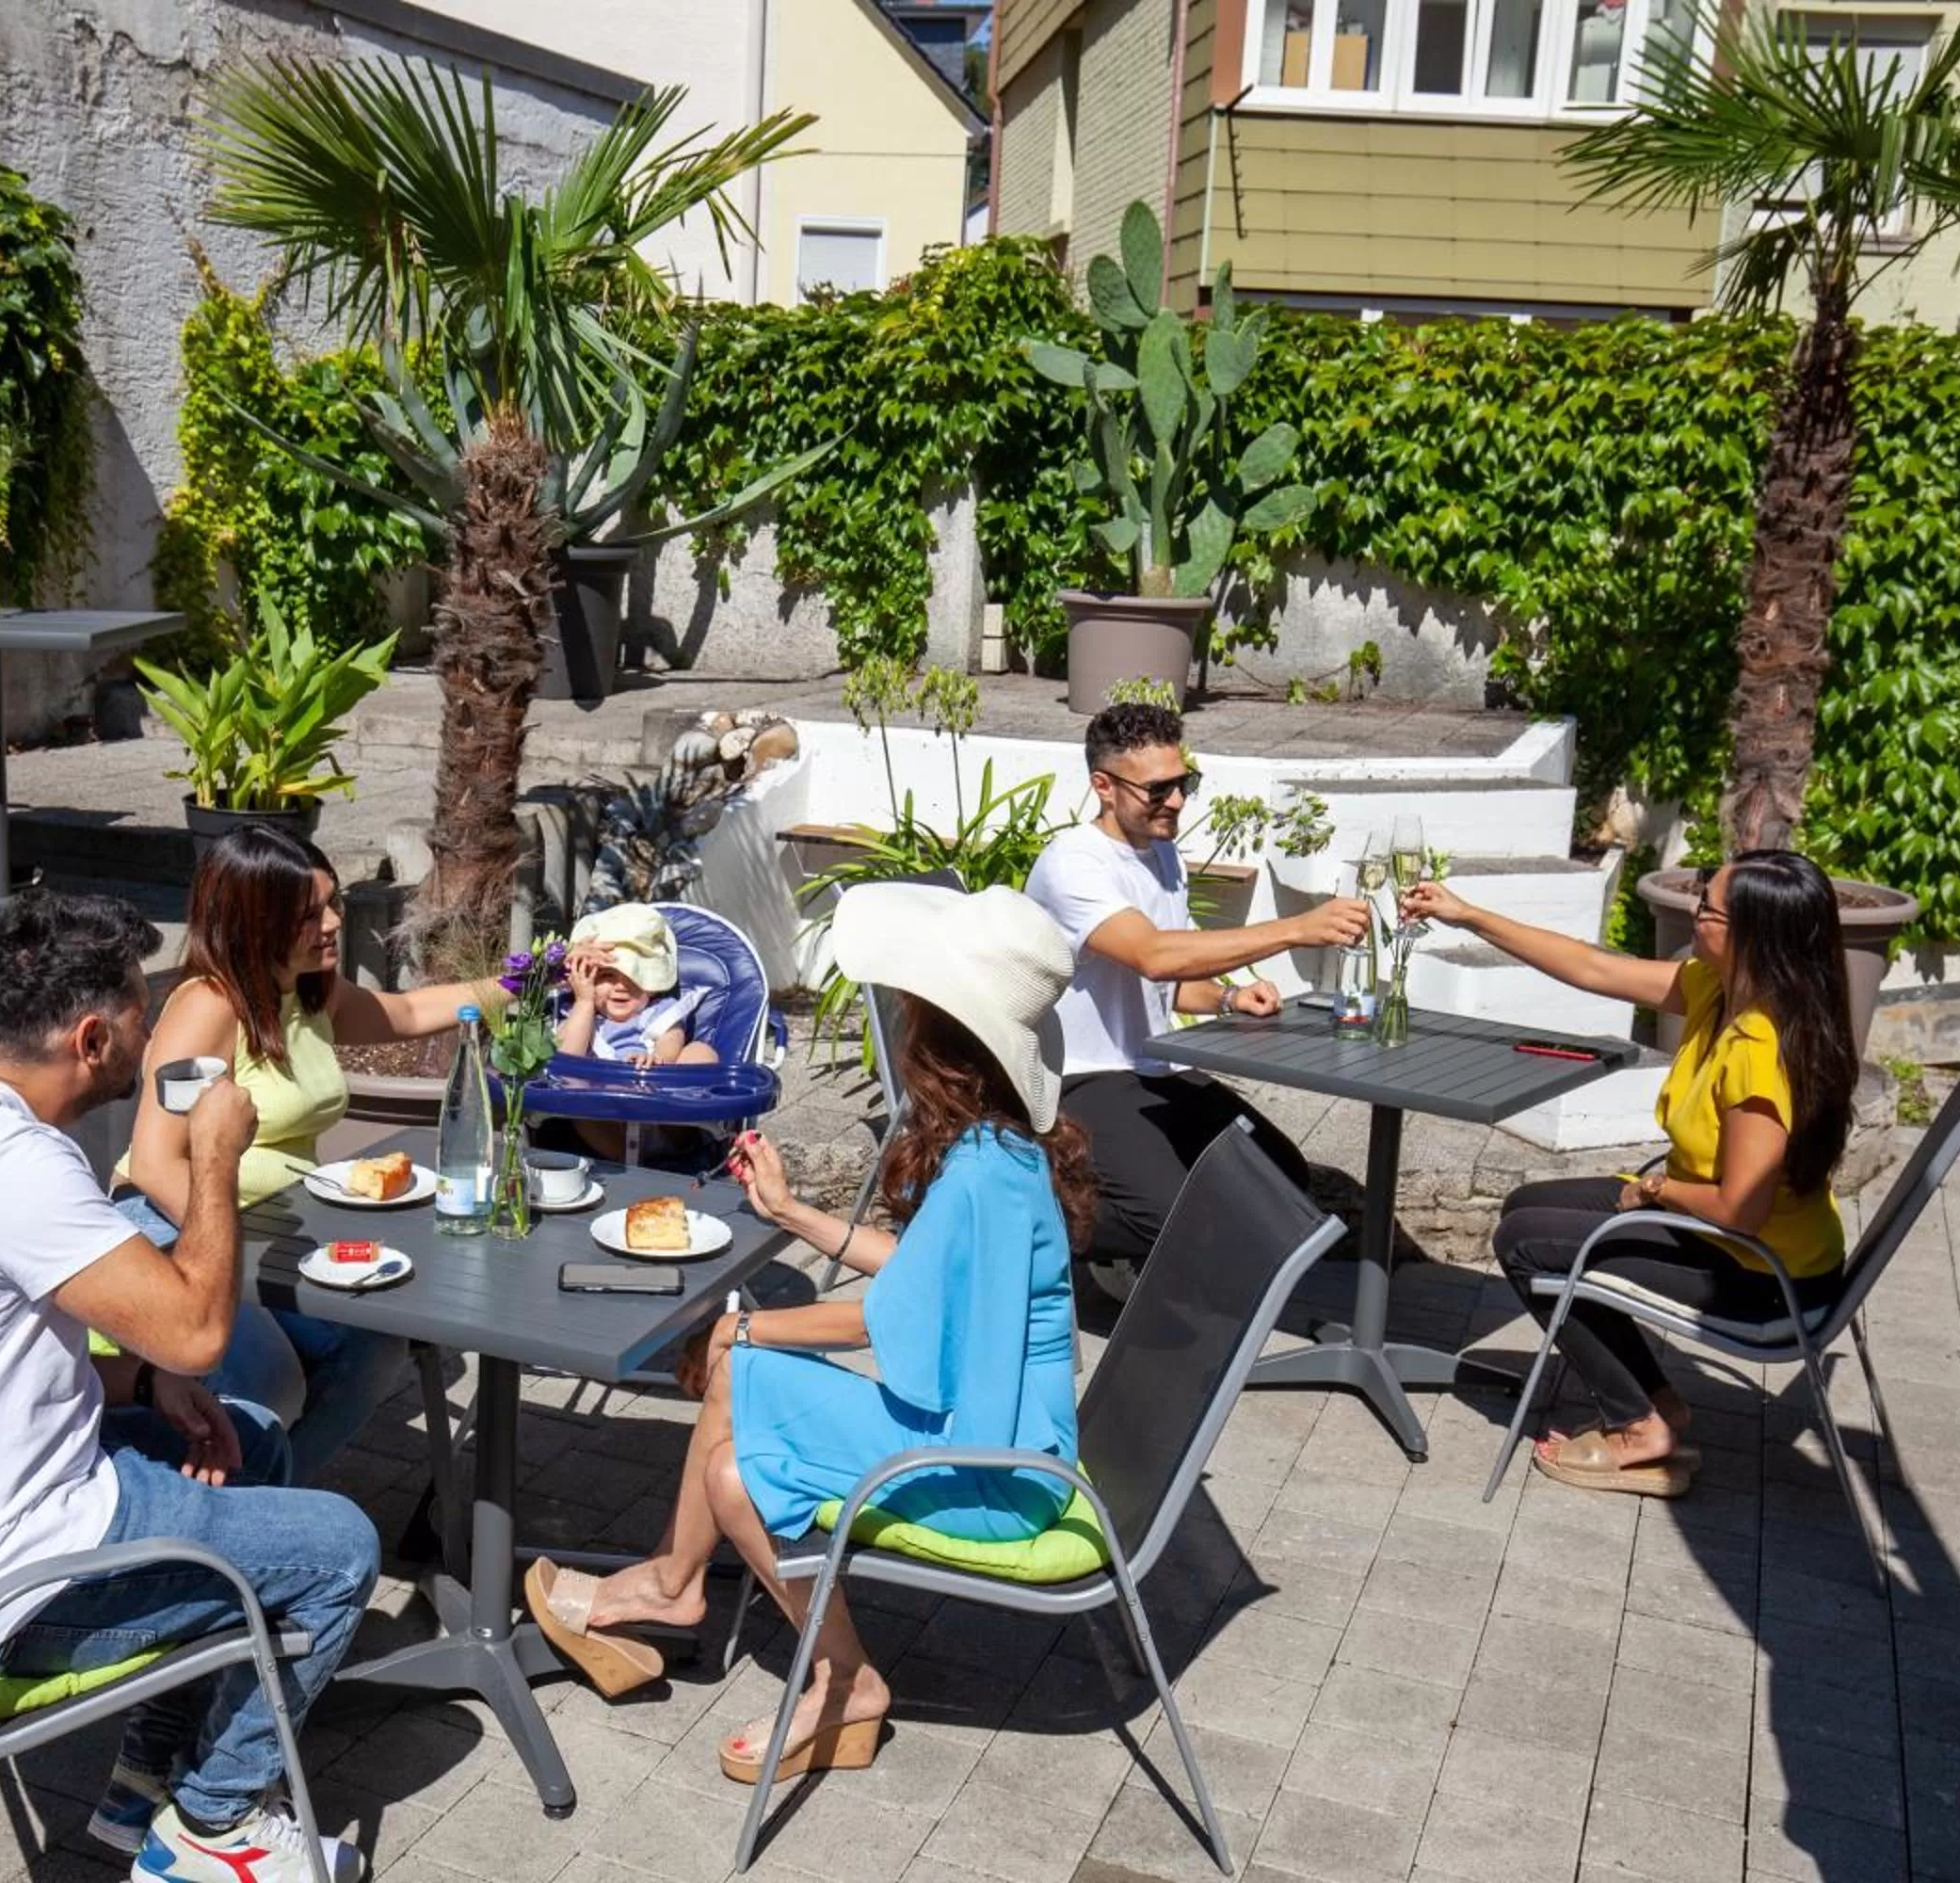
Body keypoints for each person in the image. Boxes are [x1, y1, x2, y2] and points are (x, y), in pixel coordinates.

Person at [0, 891, 378, 1882]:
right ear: (89, 1036)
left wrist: (144, 1376)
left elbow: (10, 1352)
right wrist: (214, 1154)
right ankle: (215, 1826)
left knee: (253, 1440)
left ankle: (148, 1776)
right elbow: (202, 1328)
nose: (153, 1033)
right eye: (139, 1014)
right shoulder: (13, 1166)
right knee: (340, 1550)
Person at [520, 884, 1094, 1788]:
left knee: (738, 1378)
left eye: (908, 1009)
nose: (894, 1023)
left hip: (994, 1467)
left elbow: (884, 1318)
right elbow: (914, 1275)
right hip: (1000, 1434)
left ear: (938, 1038)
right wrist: (792, 1213)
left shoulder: (985, 1174)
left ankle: (695, 1600)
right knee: (734, 1428)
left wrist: (743, 1324)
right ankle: (791, 1647)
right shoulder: (1000, 1149)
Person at [1403, 848, 1859, 1499]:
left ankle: (1639, 1423)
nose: (1694, 913)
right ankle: (1657, 1403)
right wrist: (1467, 915)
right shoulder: (1721, 987)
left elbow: (1741, 1210)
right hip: (1732, 1239)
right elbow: (1592, 967)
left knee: (1525, 1244)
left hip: (1762, 1275)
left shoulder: (1763, 1049)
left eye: (1709, 908)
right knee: (1528, 1205)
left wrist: (1658, 1190)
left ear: (1754, 937)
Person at [117, 825, 506, 1486]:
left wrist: (524, 982)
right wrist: (231, 1249)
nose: (333, 923)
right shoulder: (210, 1005)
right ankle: (227, 1524)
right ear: (256, 921)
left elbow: (408, 1012)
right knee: (269, 1378)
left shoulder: (305, 991)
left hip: (278, 1233)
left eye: (333, 904)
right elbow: (155, 1163)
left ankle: (263, 1509)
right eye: (309, 914)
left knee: (372, 1347)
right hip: (178, 1232)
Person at [1021, 699, 1370, 1284]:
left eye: (1184, 783)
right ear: (1103, 787)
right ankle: (1021, 1220)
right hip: (1077, 1077)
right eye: (1158, 790)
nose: (1177, 801)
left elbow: (1170, 984)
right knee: (1176, 1216)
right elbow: (1155, 956)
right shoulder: (1073, 865)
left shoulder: (1163, 855)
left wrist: (1229, 1000)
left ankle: (1167, 1255)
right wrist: (1297, 929)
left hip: (1154, 1071)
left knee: (1280, 1172)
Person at [554, 903, 720, 1068]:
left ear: (652, 988)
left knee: (701, 1051)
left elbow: (672, 1037)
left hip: (650, 1081)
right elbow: (566, 1059)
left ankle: (679, 1092)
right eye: (608, 975)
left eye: (634, 978)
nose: (621, 987)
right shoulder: (576, 1013)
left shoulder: (656, 1011)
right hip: (592, 1087)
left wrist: (659, 1058)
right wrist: (584, 1001)